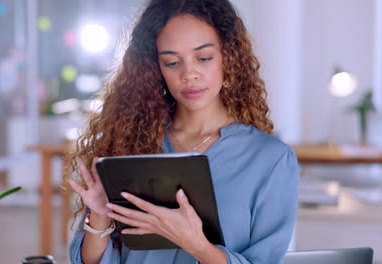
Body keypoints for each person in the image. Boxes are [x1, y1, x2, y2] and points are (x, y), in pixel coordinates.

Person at [67, 0, 299, 263]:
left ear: (229, 56)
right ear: (156, 69)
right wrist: (99, 215)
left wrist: (196, 244)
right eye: (172, 62)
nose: (189, 74)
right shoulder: (128, 144)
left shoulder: (271, 160)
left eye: (203, 58)